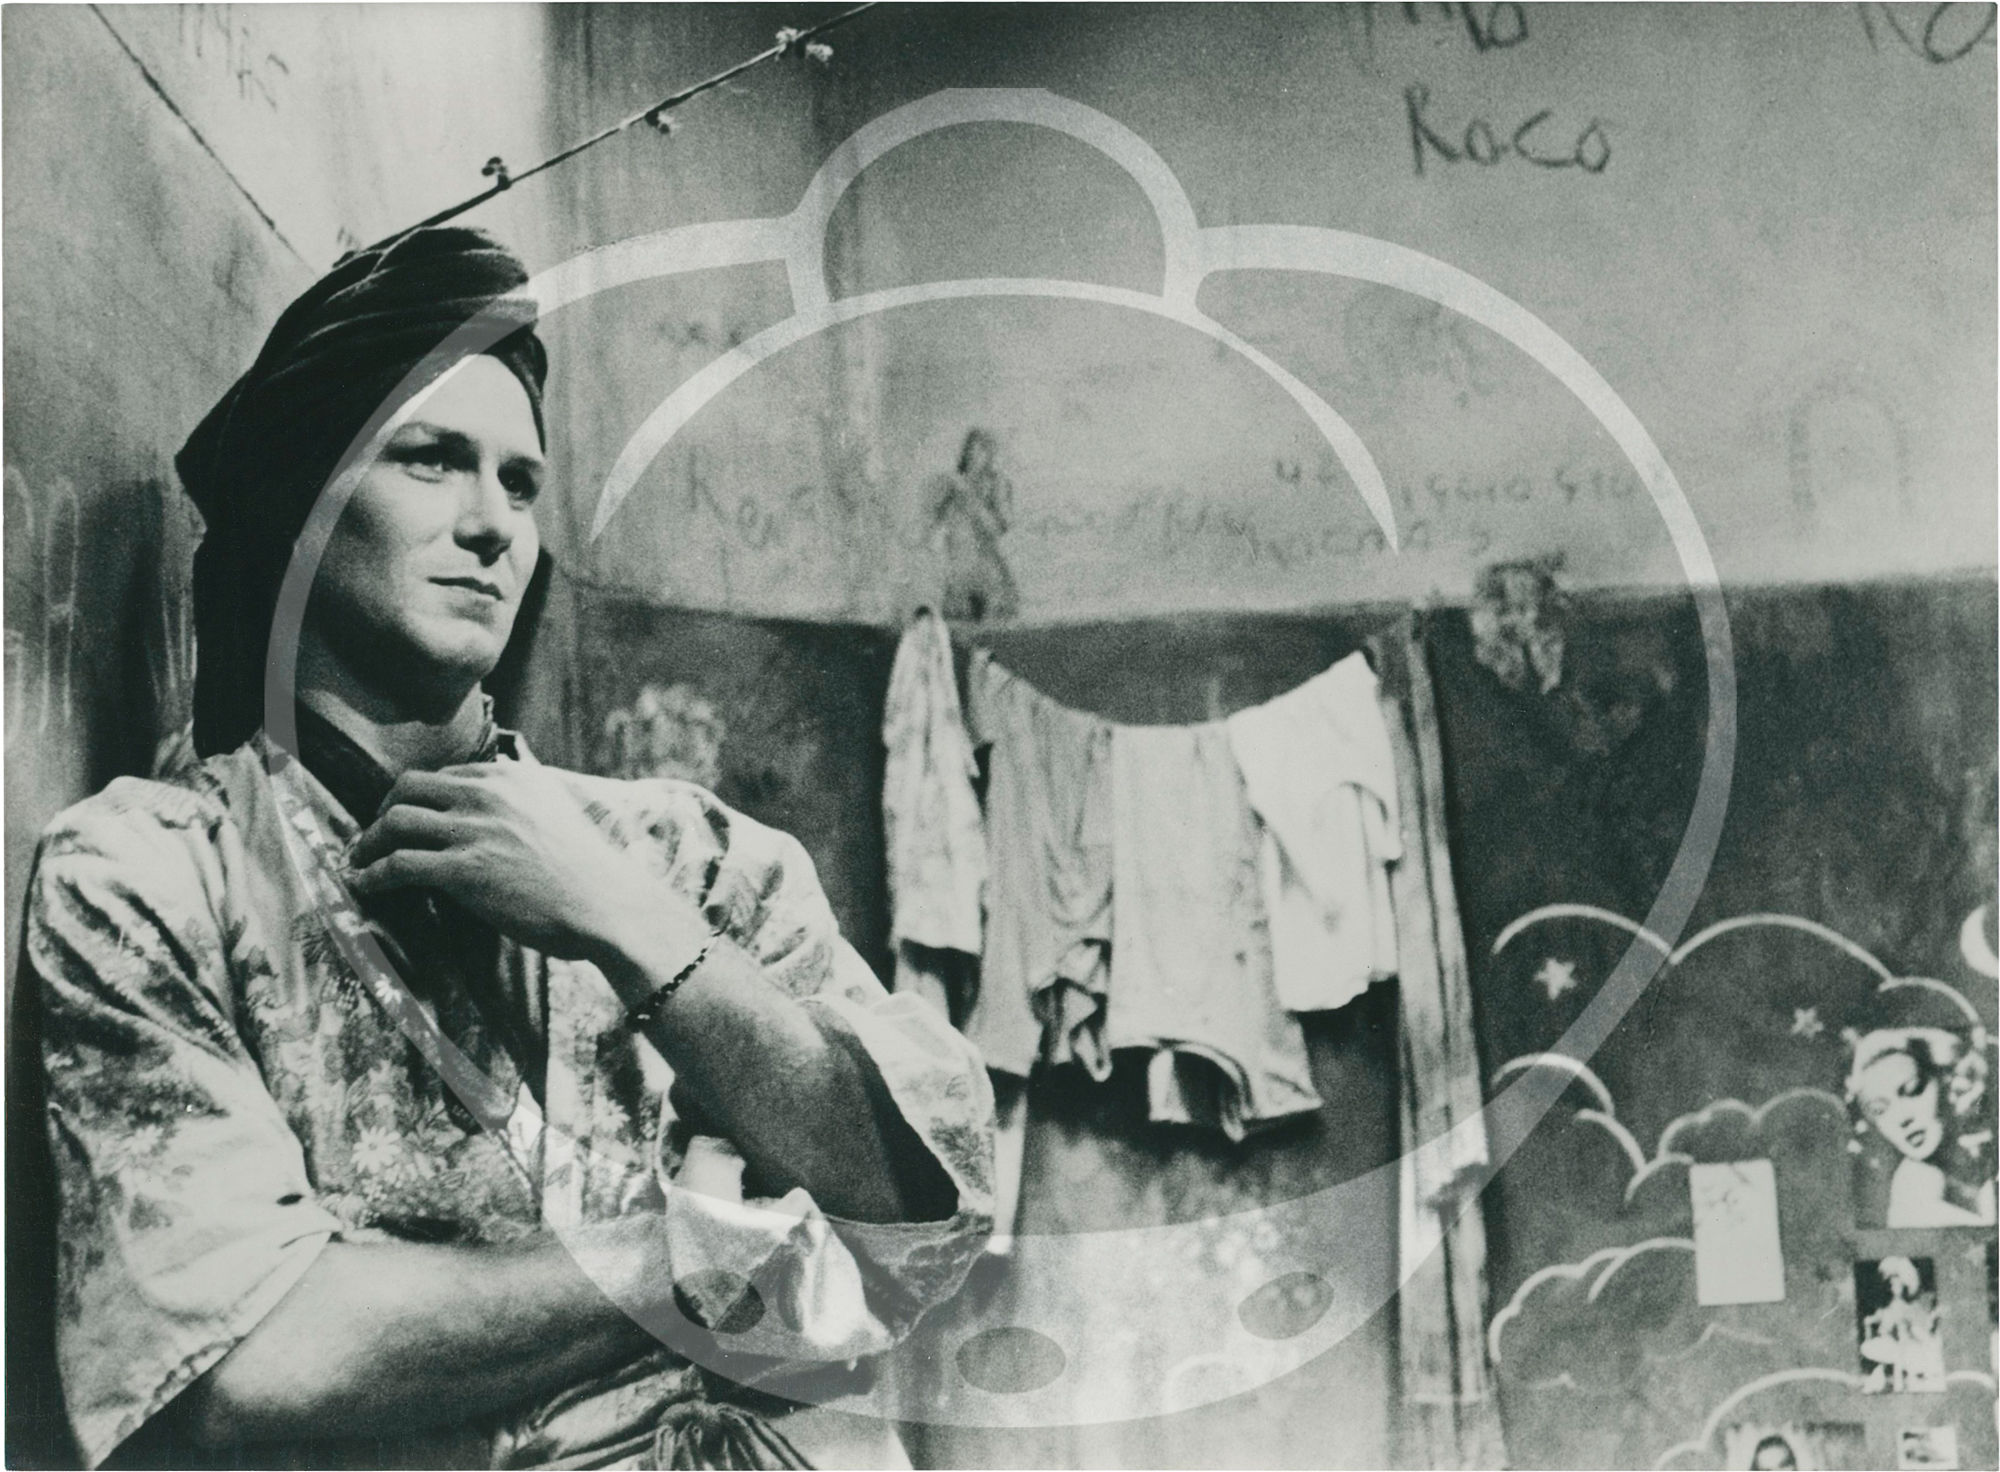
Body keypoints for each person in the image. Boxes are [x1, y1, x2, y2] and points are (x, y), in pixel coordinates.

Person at [21, 227, 995, 1470]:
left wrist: (632, 925)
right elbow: (246, 1354)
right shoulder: (150, 875)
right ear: (298, 509)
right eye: (431, 459)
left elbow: (919, 1205)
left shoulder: (688, 856)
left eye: (522, 483)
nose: (493, 525)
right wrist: (689, 1257)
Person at [1847, 1025, 1996, 1229]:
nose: (1902, 1118)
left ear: (1946, 1082)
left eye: (1913, 1090)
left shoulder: (1985, 1156)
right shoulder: (1912, 1191)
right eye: (1879, 1110)